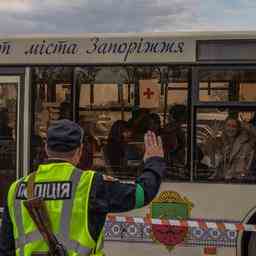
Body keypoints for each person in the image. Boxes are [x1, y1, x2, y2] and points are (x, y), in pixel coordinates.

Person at [0, 119, 166, 255]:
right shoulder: (91, 184)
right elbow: (142, 193)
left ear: (46, 148)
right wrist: (154, 162)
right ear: (79, 151)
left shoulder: (16, 188)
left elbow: (5, 248)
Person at [210, 117, 255, 181]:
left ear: (238, 129)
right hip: (220, 182)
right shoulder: (219, 142)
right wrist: (213, 136)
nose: (230, 128)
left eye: (234, 126)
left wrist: (246, 126)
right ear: (224, 127)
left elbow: (253, 137)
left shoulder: (246, 144)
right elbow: (211, 159)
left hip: (241, 182)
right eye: (228, 125)